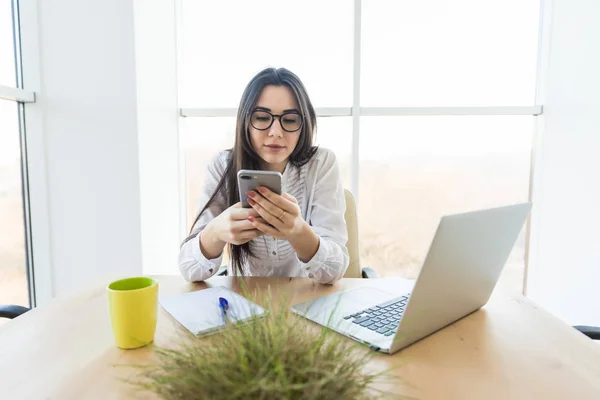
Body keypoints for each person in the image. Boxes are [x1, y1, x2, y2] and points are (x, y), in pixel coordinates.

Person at [179, 67, 349, 284]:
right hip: (244, 303)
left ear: (304, 125)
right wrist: (215, 232)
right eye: (261, 117)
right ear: (245, 122)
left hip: (306, 300)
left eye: (289, 120)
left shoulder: (321, 163)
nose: (276, 132)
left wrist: (297, 231)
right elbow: (189, 270)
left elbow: (334, 272)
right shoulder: (223, 166)